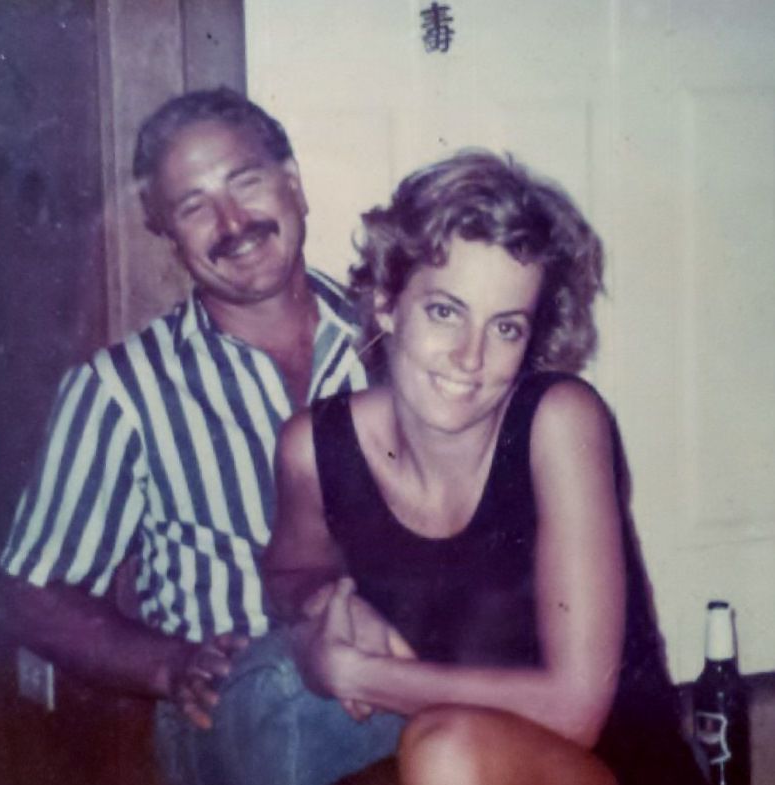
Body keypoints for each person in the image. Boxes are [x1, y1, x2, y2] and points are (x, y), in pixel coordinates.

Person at [253, 150, 708, 785]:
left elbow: (575, 710)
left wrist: (349, 670)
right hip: (456, 758)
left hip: (613, 767)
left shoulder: (560, 423)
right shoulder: (314, 446)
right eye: (446, 311)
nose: (470, 357)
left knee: (445, 751)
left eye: (506, 328)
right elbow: (290, 568)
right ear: (385, 300)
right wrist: (327, 603)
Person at [0, 86, 387, 782]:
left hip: (395, 667)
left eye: (245, 181)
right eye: (193, 205)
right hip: (232, 703)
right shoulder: (121, 388)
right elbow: (34, 592)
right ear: (169, 235)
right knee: (296, 694)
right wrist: (168, 663)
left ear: (293, 185)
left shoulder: (395, 344)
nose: (233, 221)